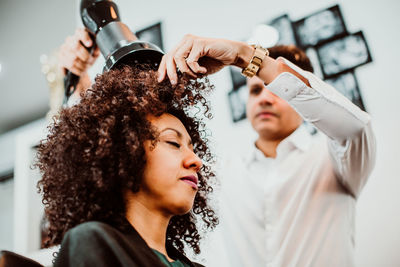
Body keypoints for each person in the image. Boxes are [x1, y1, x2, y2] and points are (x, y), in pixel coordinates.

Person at [60, 30, 376, 267]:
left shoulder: (337, 161)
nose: (263, 97)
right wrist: (80, 79)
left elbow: (355, 126)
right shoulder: (221, 173)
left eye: (274, 89)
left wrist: (245, 57)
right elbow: (123, 146)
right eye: (254, 91)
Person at [35, 62, 218, 266]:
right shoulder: (92, 243)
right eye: (173, 143)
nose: (196, 161)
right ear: (125, 151)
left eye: (192, 148)